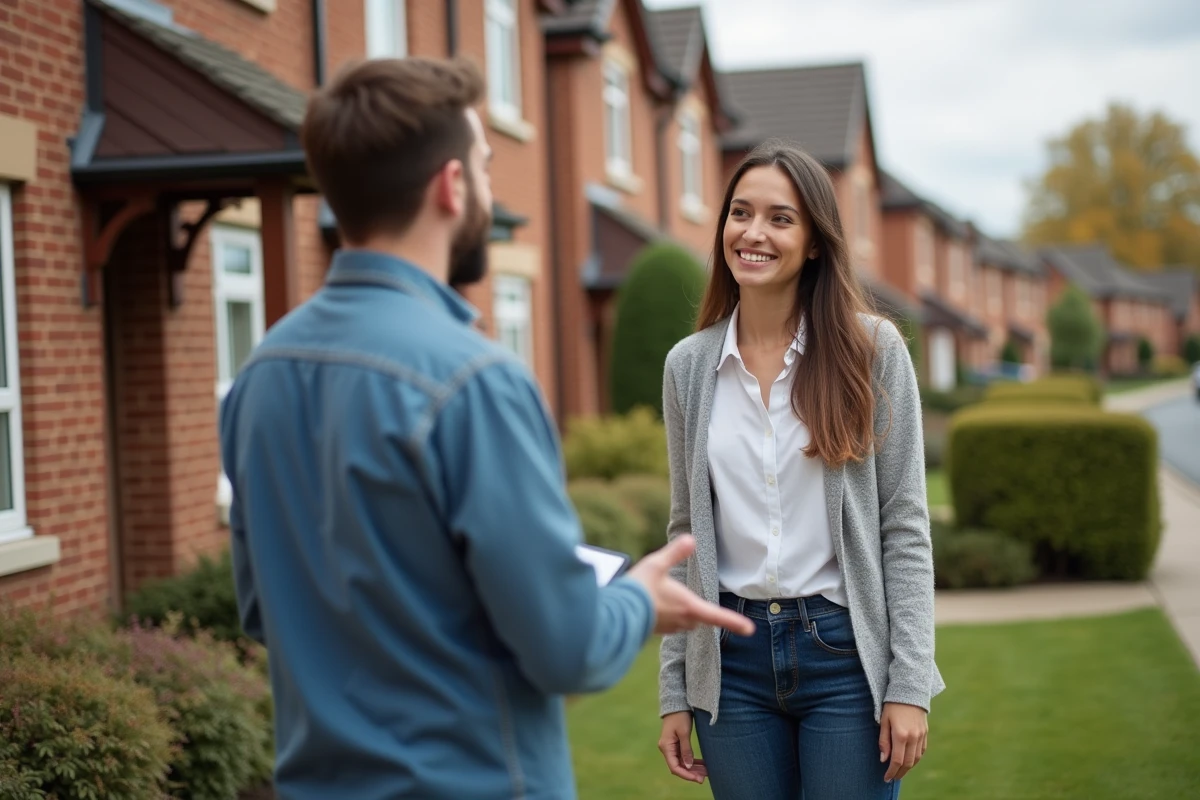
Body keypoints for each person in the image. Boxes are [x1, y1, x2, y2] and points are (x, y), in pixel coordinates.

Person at [218, 56, 754, 800]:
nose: (489, 188)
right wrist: (638, 602)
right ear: (452, 185)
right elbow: (567, 649)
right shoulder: (475, 382)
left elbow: (262, 610)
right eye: (485, 165)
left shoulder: (257, 377)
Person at [655, 139, 945, 799]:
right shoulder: (689, 367)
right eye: (740, 213)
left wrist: (909, 684)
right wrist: (676, 689)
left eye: (780, 218)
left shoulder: (872, 350)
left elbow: (903, 523)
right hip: (730, 664)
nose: (753, 233)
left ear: (815, 242)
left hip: (845, 657)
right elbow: (684, 538)